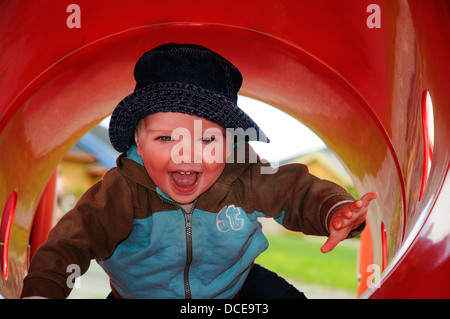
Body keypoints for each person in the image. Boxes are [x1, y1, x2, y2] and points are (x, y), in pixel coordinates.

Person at [21, 43, 377, 299]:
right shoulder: (123, 190)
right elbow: (71, 241)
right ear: (138, 144)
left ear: (231, 143)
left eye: (207, 139)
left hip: (234, 290)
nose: (186, 153)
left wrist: (333, 211)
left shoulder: (245, 176)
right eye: (165, 137)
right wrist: (42, 293)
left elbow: (295, 190)